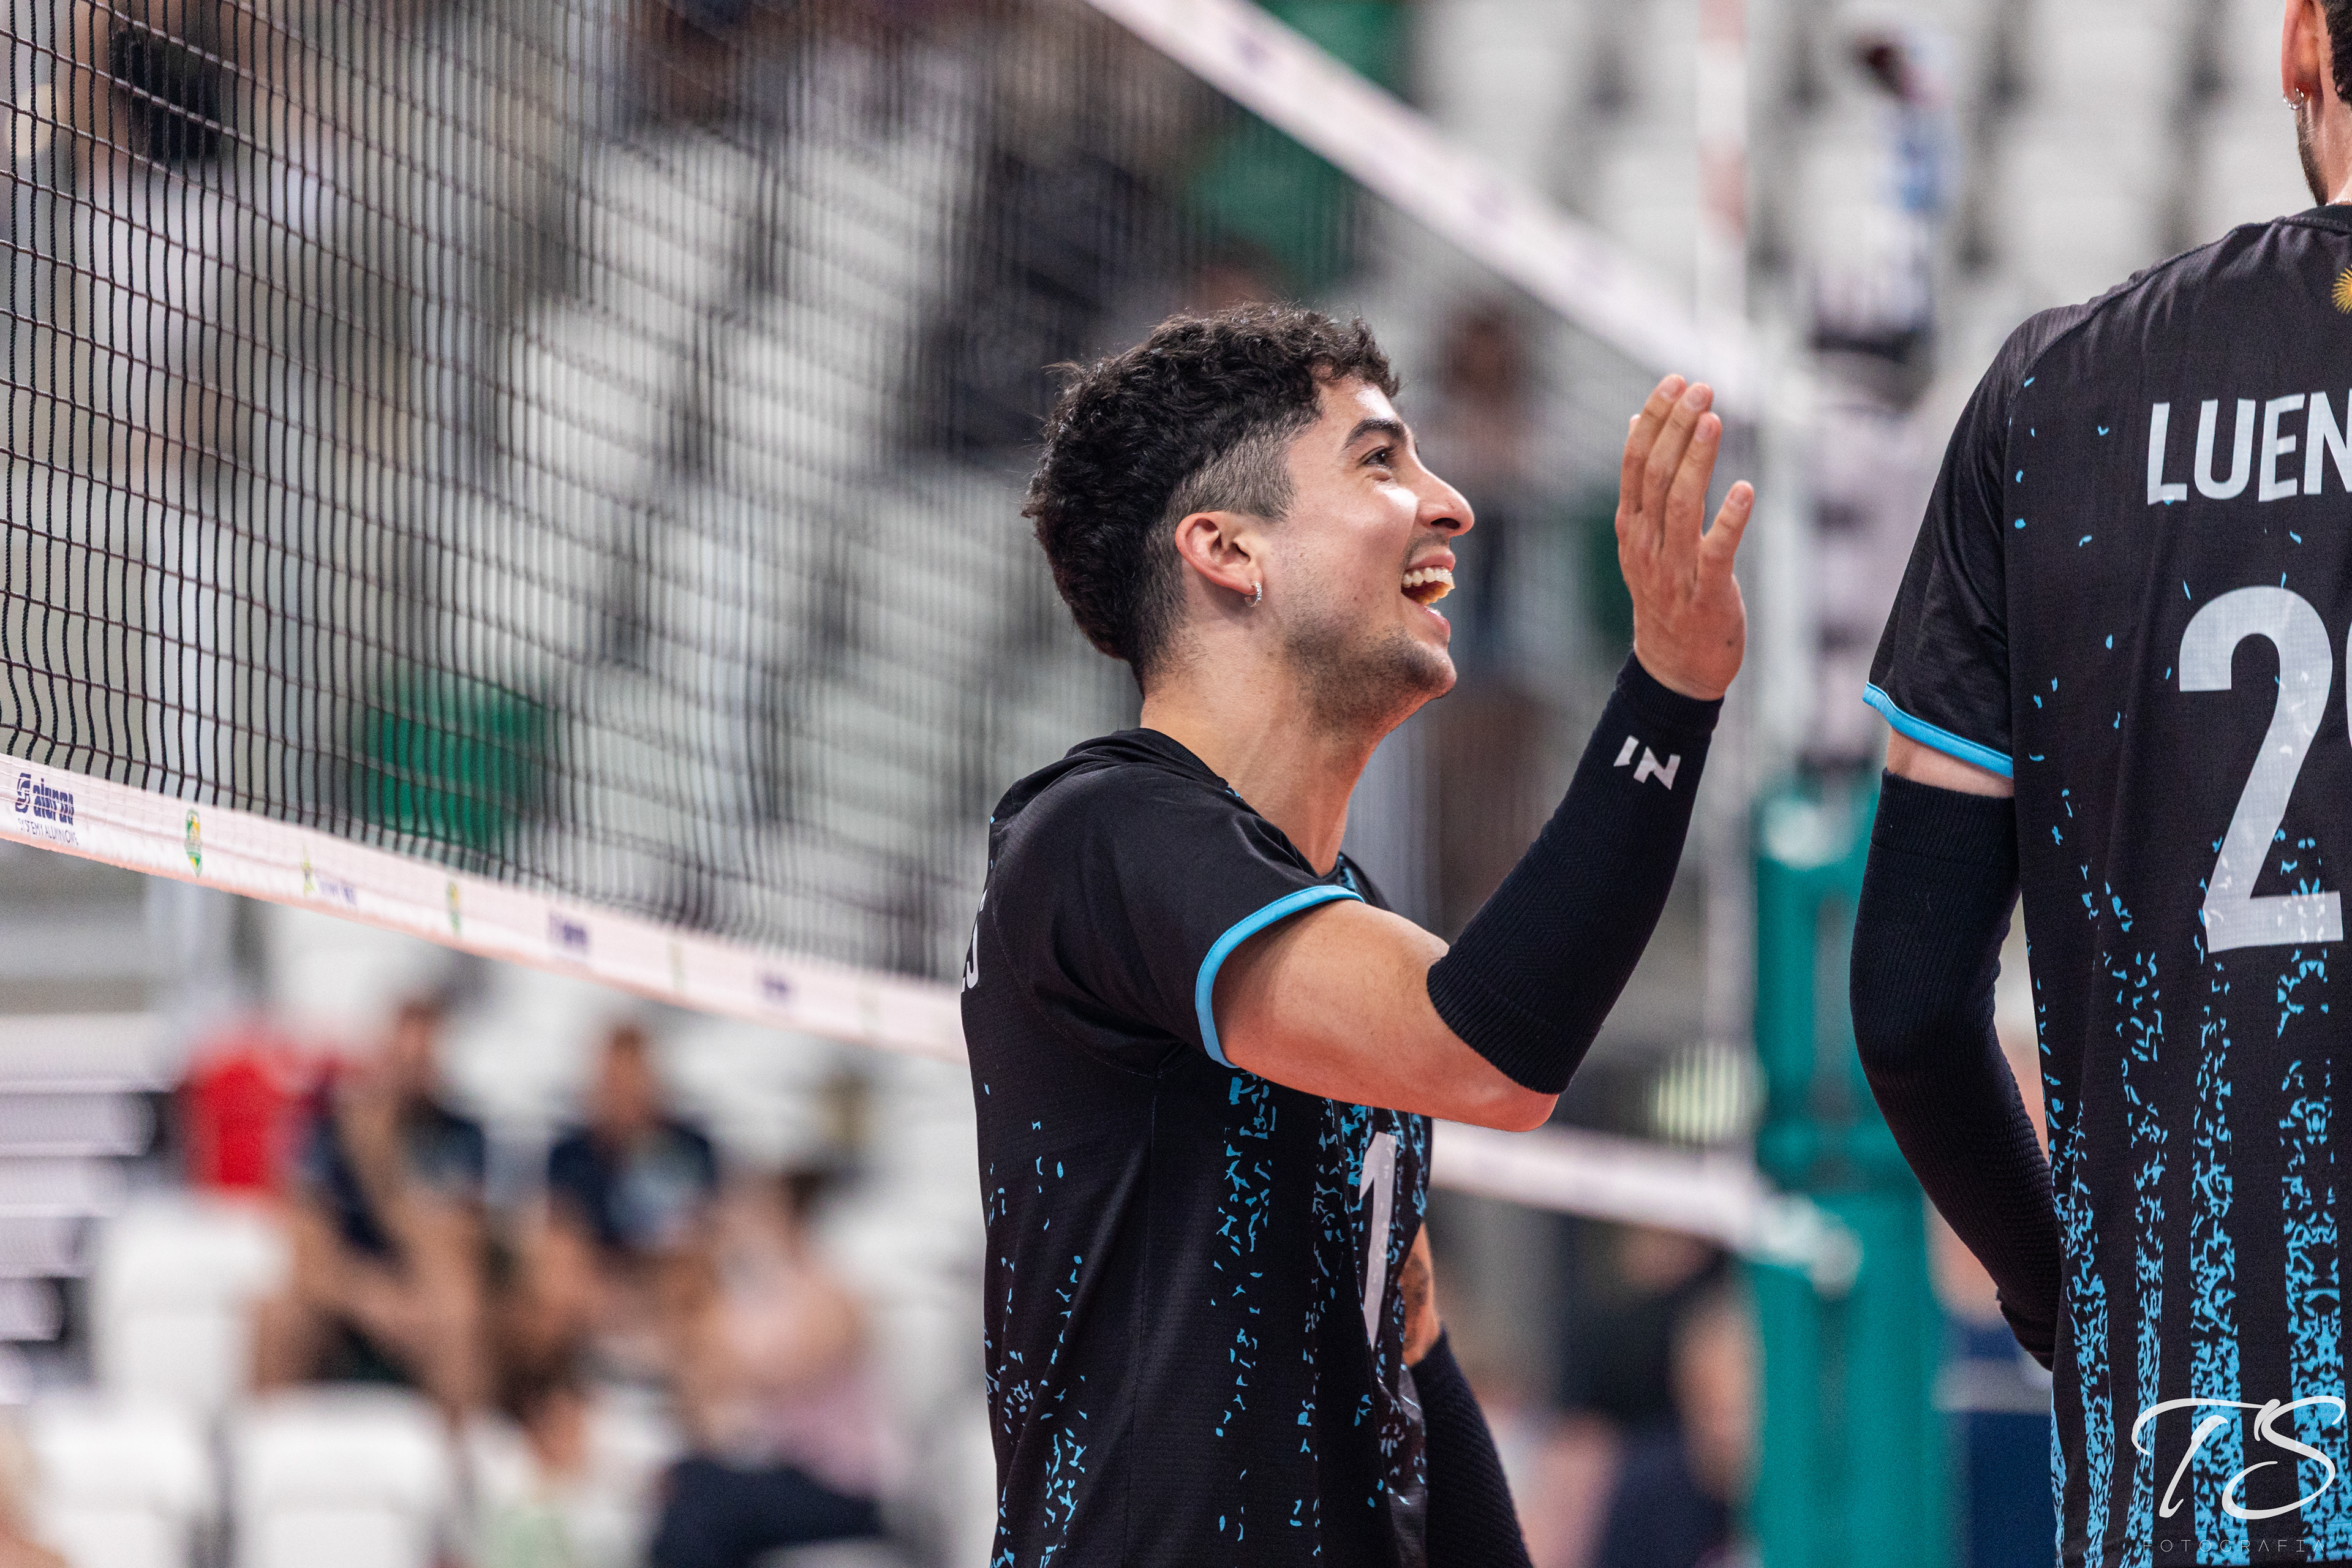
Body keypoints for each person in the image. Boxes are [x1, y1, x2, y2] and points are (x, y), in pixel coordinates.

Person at [963, 304, 1754, 1566]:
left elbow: (1408, 1355)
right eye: (1380, 462)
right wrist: (1666, 695)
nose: (1451, 505)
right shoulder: (1102, 834)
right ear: (1229, 549)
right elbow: (1489, 1051)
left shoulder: (1344, 916)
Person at [1849, 2, 2352, 1559]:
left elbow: (1908, 1006)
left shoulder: (2054, 392)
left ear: (2299, 45)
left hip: (2195, 1453)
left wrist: (2080, 1307)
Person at [253, 997, 492, 1415]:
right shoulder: (327, 1131)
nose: (410, 1073)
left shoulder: (461, 1138)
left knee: (458, 1309)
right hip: (347, 1294)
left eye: (422, 1060)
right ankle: (270, 1441)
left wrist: (381, 1167)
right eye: (402, 1058)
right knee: (276, 1315)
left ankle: (461, 1445)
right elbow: (307, 1253)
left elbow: (452, 1254)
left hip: (423, 1293)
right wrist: (369, 1300)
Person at [650, 1170, 892, 1568]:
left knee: (702, 1504)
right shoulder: (759, 1302)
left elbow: (785, 1366)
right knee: (685, 1482)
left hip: (842, 1486)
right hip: (787, 1471)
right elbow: (702, 1395)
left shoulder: (832, 1296)